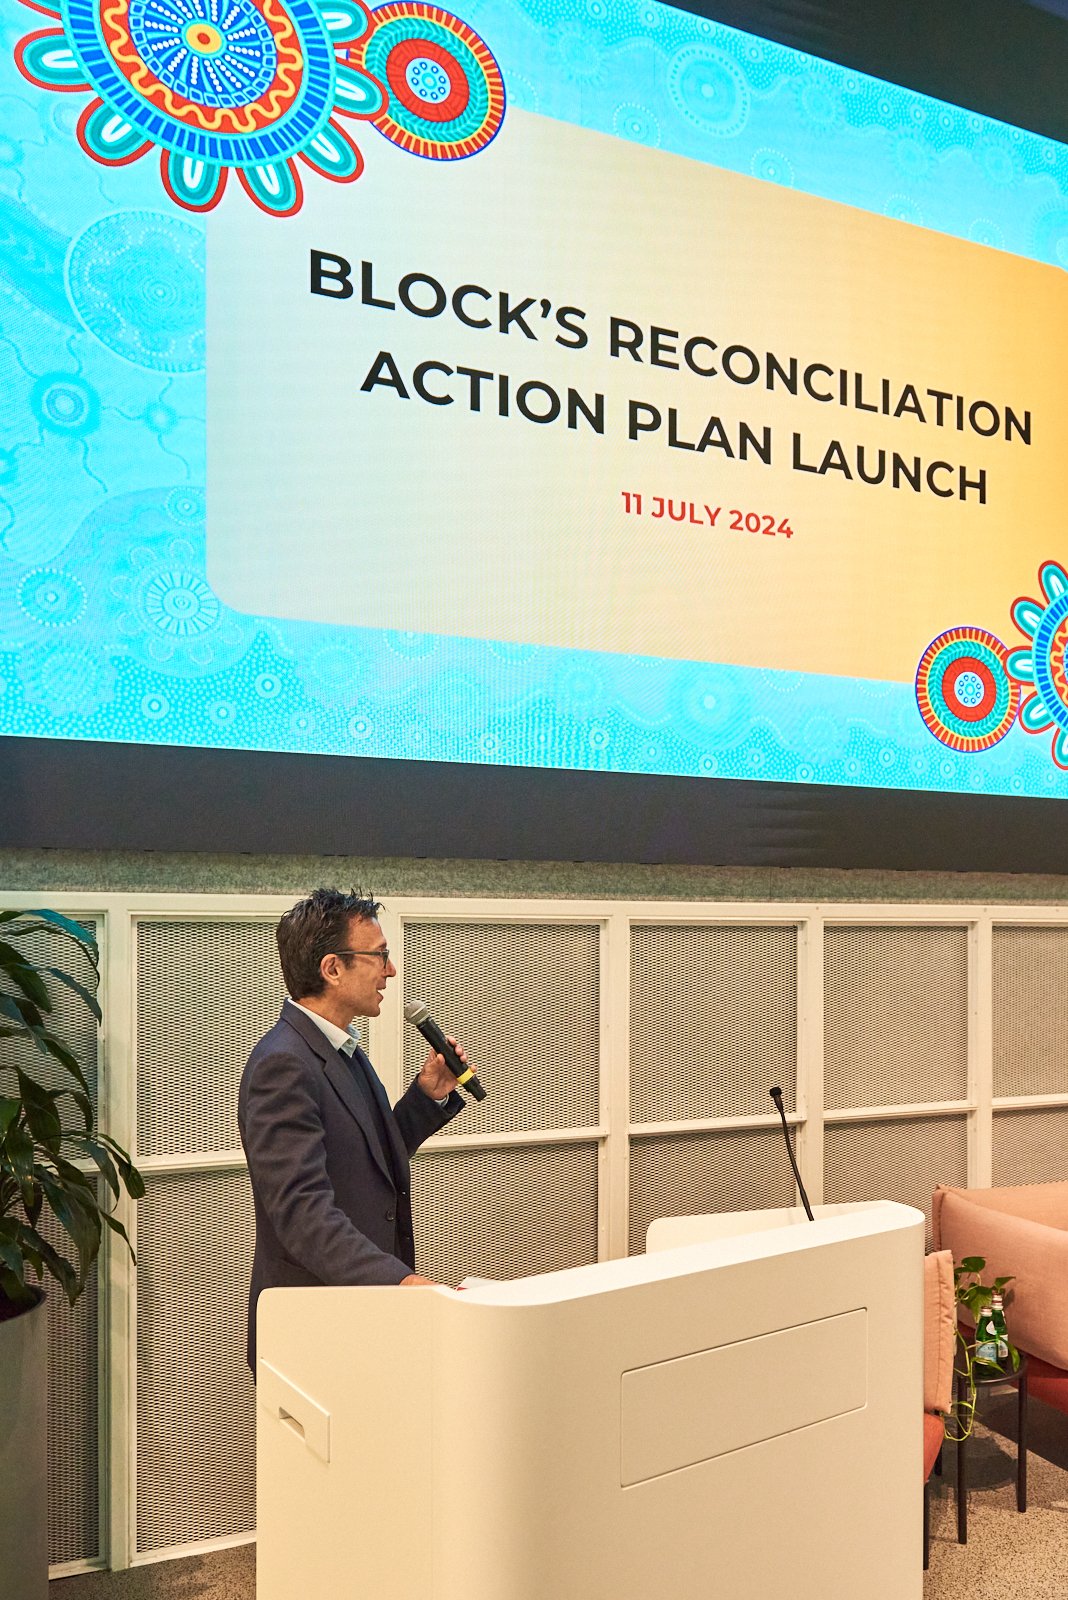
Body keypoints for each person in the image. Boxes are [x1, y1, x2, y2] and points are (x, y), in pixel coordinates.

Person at [238, 887, 473, 1369]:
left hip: (357, 1313)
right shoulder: (283, 1063)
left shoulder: (341, 1048)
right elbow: (303, 1214)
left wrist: (426, 1097)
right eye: (380, 956)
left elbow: (368, 1160)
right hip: (315, 1325)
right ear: (332, 969)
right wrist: (402, 1283)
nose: (390, 970)